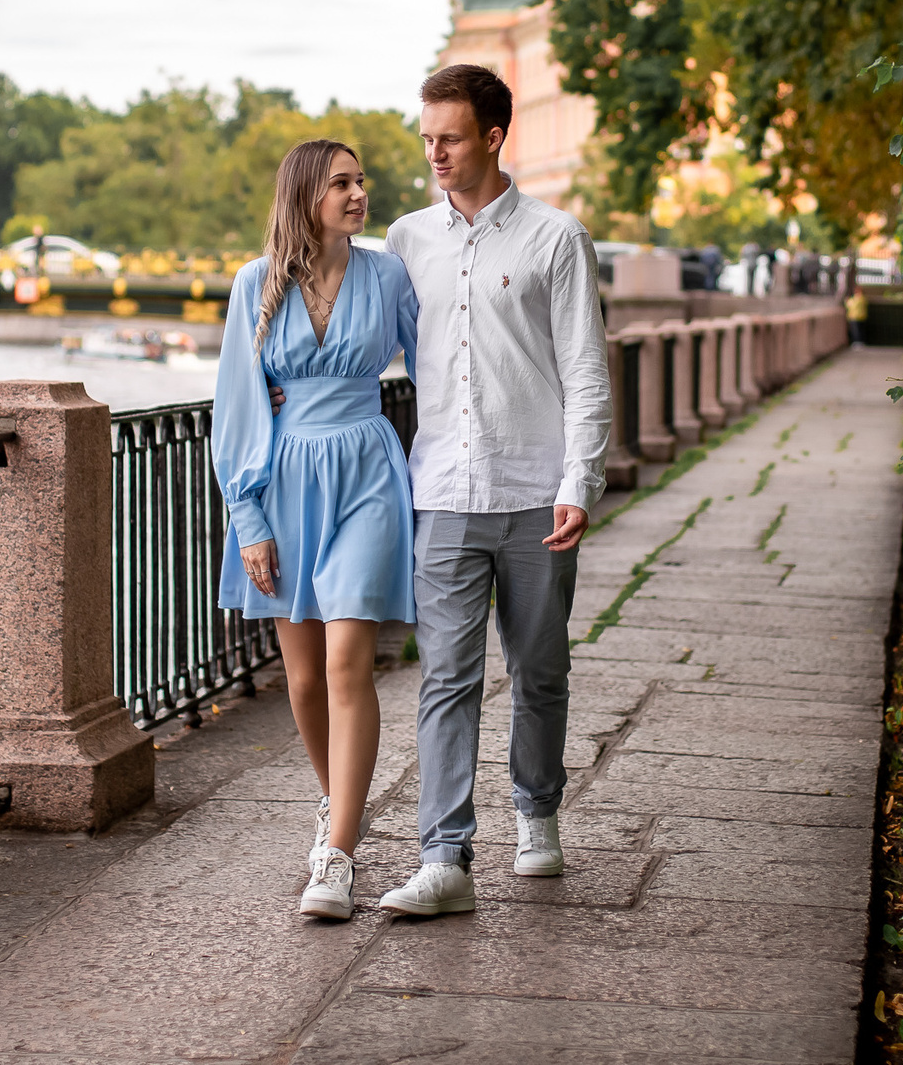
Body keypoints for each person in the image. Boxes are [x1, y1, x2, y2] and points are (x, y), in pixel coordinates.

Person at [376, 63, 613, 918]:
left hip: (533, 490)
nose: (433, 151)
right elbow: (370, 343)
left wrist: (579, 480)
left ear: (492, 136)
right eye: (426, 137)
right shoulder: (405, 241)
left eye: (448, 136)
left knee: (541, 667)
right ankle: (445, 856)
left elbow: (586, 372)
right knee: (445, 677)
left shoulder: (556, 239)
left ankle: (537, 810)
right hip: (440, 488)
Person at [212, 138, 421, 921]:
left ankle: (335, 855)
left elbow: (433, 366)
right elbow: (237, 403)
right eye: (341, 182)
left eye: (361, 180)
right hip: (287, 479)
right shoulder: (252, 284)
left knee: (344, 662)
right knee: (300, 680)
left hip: (368, 468)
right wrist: (248, 516)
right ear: (306, 194)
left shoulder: (388, 272)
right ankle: (343, 805)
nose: (358, 192)